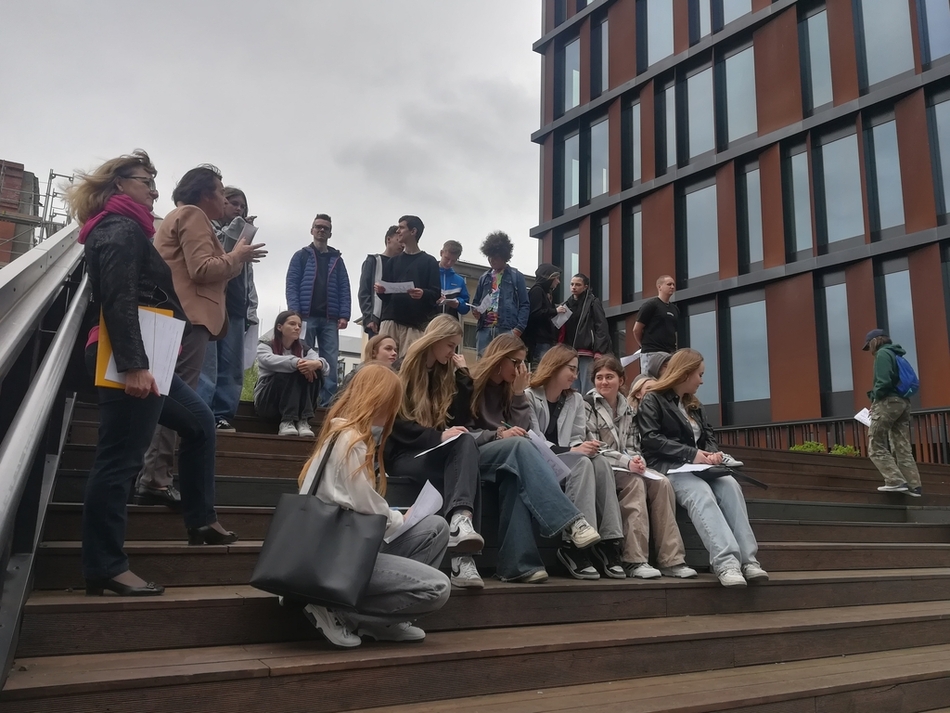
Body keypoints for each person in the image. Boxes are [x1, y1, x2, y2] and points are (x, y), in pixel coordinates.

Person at [69, 150, 236, 597]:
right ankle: (105, 566)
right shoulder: (118, 227)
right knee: (120, 459)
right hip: (130, 355)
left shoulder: (130, 228)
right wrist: (135, 365)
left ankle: (200, 520)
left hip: (149, 352)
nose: (155, 191)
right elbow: (117, 297)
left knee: (200, 424)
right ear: (119, 184)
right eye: (146, 181)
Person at [135, 165, 265, 508]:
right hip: (189, 319)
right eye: (221, 192)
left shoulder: (182, 216)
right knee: (176, 402)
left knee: (170, 398)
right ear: (205, 194)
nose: (225, 199)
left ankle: (154, 474)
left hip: (182, 318)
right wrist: (236, 256)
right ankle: (155, 478)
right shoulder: (193, 215)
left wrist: (234, 259)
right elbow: (202, 269)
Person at [297, 364, 450, 648]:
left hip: (343, 548)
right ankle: (340, 611)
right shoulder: (350, 440)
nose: (393, 411)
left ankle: (378, 621)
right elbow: (367, 506)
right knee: (437, 588)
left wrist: (400, 518)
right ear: (377, 399)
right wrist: (402, 518)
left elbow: (359, 502)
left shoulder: (342, 435)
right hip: (335, 559)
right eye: (391, 402)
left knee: (435, 527)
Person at [470, 334, 601, 583]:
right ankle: (571, 521)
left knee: (515, 480)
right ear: (499, 359)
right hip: (474, 454)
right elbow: (459, 431)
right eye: (516, 362)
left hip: (505, 458)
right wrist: (495, 434)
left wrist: (518, 395)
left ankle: (518, 566)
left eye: (523, 362)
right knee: (519, 447)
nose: (521, 369)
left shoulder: (511, 390)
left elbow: (522, 431)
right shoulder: (471, 384)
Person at [636, 349, 768, 588]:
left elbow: (709, 436)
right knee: (701, 493)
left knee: (731, 485)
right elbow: (650, 439)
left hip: (699, 466)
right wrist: (692, 454)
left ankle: (749, 561)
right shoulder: (652, 399)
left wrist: (712, 453)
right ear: (685, 374)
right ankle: (726, 563)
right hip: (670, 467)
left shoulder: (694, 405)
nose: (702, 381)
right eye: (700, 374)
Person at [385, 315, 485, 588]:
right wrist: (437, 436)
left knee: (466, 443)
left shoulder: (443, 374)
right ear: (435, 340)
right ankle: (463, 560)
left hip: (431, 452)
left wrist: (463, 377)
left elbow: (459, 420)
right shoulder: (400, 370)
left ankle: (461, 521)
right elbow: (395, 424)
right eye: (450, 345)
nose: (453, 352)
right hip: (403, 456)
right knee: (466, 470)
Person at [585, 356, 696, 579]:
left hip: (626, 466)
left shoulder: (628, 409)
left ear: (621, 380)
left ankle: (671, 560)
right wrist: (627, 462)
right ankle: (634, 560)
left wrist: (637, 460)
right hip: (602, 467)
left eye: (609, 377)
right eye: (599, 377)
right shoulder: (588, 405)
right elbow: (594, 447)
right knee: (635, 483)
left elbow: (633, 446)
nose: (604, 382)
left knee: (662, 482)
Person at [525, 345, 626, 580]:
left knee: (600, 462)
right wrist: (573, 450)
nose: (575, 375)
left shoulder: (575, 399)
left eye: (576, 370)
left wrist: (584, 447)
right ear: (555, 367)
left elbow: (577, 437)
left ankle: (609, 541)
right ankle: (573, 546)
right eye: (571, 369)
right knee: (582, 463)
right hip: (539, 463)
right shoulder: (530, 395)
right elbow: (534, 439)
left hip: (566, 460)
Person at [197, 186, 261, 432]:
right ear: (221, 203)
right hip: (210, 305)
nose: (239, 209)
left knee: (231, 367)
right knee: (207, 365)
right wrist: (238, 228)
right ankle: (201, 414)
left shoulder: (242, 236)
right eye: (234, 203)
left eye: (243, 206)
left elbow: (248, 277)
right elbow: (220, 253)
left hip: (235, 308)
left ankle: (222, 415)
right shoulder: (206, 227)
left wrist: (251, 310)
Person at [285, 213, 351, 407]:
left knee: (330, 360)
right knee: (303, 358)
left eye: (325, 228)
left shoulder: (337, 259)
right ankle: (302, 400)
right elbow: (292, 284)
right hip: (305, 317)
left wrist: (344, 315)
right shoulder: (301, 256)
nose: (321, 230)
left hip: (330, 319)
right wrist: (294, 312)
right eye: (318, 227)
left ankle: (327, 404)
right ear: (312, 230)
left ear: (330, 233)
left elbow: (344, 288)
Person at [863, 329, 923, 497]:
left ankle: (895, 480)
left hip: (888, 402)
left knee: (875, 443)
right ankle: (914, 485)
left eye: (869, 346)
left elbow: (883, 382)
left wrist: (875, 398)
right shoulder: (897, 354)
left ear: (874, 341)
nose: (870, 350)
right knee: (901, 445)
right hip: (903, 403)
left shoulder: (882, 354)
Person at [254, 311, 327, 437]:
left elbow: (325, 367)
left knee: (316, 372)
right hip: (268, 403)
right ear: (279, 327)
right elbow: (270, 361)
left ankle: (302, 420)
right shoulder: (265, 347)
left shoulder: (305, 349)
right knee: (291, 370)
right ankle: (287, 420)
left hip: (297, 404)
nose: (297, 328)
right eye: (292, 324)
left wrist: (318, 363)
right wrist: (298, 363)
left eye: (299, 325)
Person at [375, 215, 440, 354]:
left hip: (414, 324)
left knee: (409, 363)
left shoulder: (429, 262)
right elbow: (386, 297)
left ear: (413, 231)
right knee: (383, 362)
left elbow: (436, 294)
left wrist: (423, 294)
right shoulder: (392, 262)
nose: (397, 231)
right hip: (390, 320)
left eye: (401, 227)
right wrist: (381, 291)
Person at [471, 231, 530, 357]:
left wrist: (518, 329)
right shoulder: (484, 278)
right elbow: (476, 302)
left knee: (506, 362)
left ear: (504, 256)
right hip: (484, 329)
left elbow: (524, 304)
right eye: (489, 257)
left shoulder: (516, 276)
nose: (491, 260)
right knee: (483, 364)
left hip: (507, 329)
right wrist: (475, 311)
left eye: (495, 257)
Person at [561, 273, 610, 395]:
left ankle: (588, 407)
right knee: (572, 388)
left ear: (585, 287)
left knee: (587, 388)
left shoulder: (593, 302)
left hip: (587, 351)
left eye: (578, 285)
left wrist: (599, 351)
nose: (574, 287)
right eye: (572, 284)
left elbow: (601, 326)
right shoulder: (566, 304)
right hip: (570, 353)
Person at [357, 225, 401, 336]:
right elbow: (364, 291)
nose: (402, 244)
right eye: (398, 240)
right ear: (388, 239)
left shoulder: (403, 266)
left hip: (398, 321)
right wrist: (369, 318)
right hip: (377, 321)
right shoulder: (373, 261)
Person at [633, 276, 679, 377]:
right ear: (659, 287)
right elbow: (636, 329)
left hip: (669, 354)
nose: (672, 287)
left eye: (673, 284)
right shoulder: (651, 305)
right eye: (669, 284)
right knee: (650, 382)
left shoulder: (674, 309)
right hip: (652, 353)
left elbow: (673, 331)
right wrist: (644, 345)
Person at [523, 263, 564, 366]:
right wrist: (555, 311)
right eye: (557, 278)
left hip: (546, 339)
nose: (558, 282)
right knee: (540, 369)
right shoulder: (537, 290)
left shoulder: (546, 293)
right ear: (550, 278)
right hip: (539, 340)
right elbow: (535, 314)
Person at [437, 240, 470, 321]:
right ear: (441, 253)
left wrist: (458, 304)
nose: (449, 263)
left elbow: (466, 308)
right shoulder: (429, 273)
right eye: (447, 258)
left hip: (450, 325)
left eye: (453, 261)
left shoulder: (459, 280)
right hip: (429, 323)